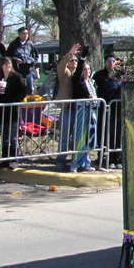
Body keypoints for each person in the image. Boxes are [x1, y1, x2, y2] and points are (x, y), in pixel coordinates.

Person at [0, 56, 28, 168]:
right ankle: (5, 159)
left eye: (9, 63)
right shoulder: (0, 78)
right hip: (2, 111)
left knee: (13, 136)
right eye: (5, 64)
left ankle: (14, 160)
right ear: (1, 66)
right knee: (4, 136)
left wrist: (15, 101)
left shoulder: (17, 77)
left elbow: (24, 91)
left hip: (13, 111)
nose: (8, 65)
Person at [71, 46, 98, 172]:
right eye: (84, 69)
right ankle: (75, 163)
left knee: (89, 138)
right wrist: (82, 58)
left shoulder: (91, 82)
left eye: (88, 69)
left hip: (92, 111)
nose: (86, 71)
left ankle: (86, 162)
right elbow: (76, 75)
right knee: (80, 137)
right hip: (81, 112)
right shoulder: (78, 81)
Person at [93, 53, 122, 168]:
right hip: (104, 109)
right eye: (109, 61)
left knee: (117, 134)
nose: (111, 63)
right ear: (105, 62)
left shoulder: (120, 75)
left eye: (113, 61)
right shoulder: (99, 75)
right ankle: (106, 158)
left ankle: (118, 158)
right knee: (105, 133)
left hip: (118, 109)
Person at [55, 43, 79, 172]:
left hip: (78, 108)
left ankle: (75, 161)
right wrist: (70, 54)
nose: (74, 62)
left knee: (77, 136)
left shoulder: (79, 73)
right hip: (67, 108)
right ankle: (60, 160)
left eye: (75, 60)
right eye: (72, 60)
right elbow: (61, 66)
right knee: (64, 136)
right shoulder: (65, 73)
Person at [6, 27, 39, 94]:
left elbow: (35, 57)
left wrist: (29, 61)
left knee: (30, 89)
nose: (25, 35)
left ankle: (28, 103)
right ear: (19, 34)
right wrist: (15, 60)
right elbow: (8, 56)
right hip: (17, 70)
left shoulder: (30, 45)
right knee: (18, 89)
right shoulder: (13, 45)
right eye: (23, 33)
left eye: (26, 33)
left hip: (28, 70)